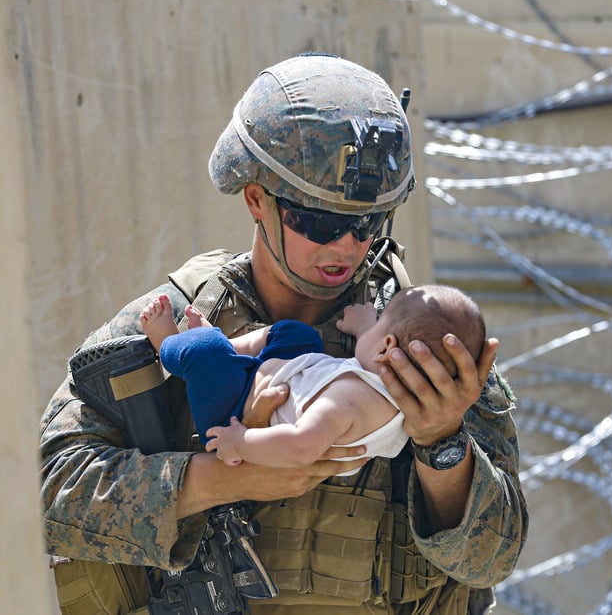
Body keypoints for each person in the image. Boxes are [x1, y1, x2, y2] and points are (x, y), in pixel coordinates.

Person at [39, 53, 529, 615]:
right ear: (256, 199)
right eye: (320, 222)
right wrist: (223, 480)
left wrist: (441, 443)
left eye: (366, 223)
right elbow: (51, 495)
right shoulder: (176, 323)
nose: (347, 245)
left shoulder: (424, 345)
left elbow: (491, 561)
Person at [139, 285, 486, 475]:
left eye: (380, 323)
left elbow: (303, 446)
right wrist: (367, 326)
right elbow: (376, 356)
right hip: (289, 376)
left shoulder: (346, 402)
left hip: (234, 410)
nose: (373, 323)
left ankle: (168, 342)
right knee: (297, 335)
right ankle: (225, 348)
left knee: (202, 353)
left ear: (387, 347)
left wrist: (240, 441)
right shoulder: (397, 397)